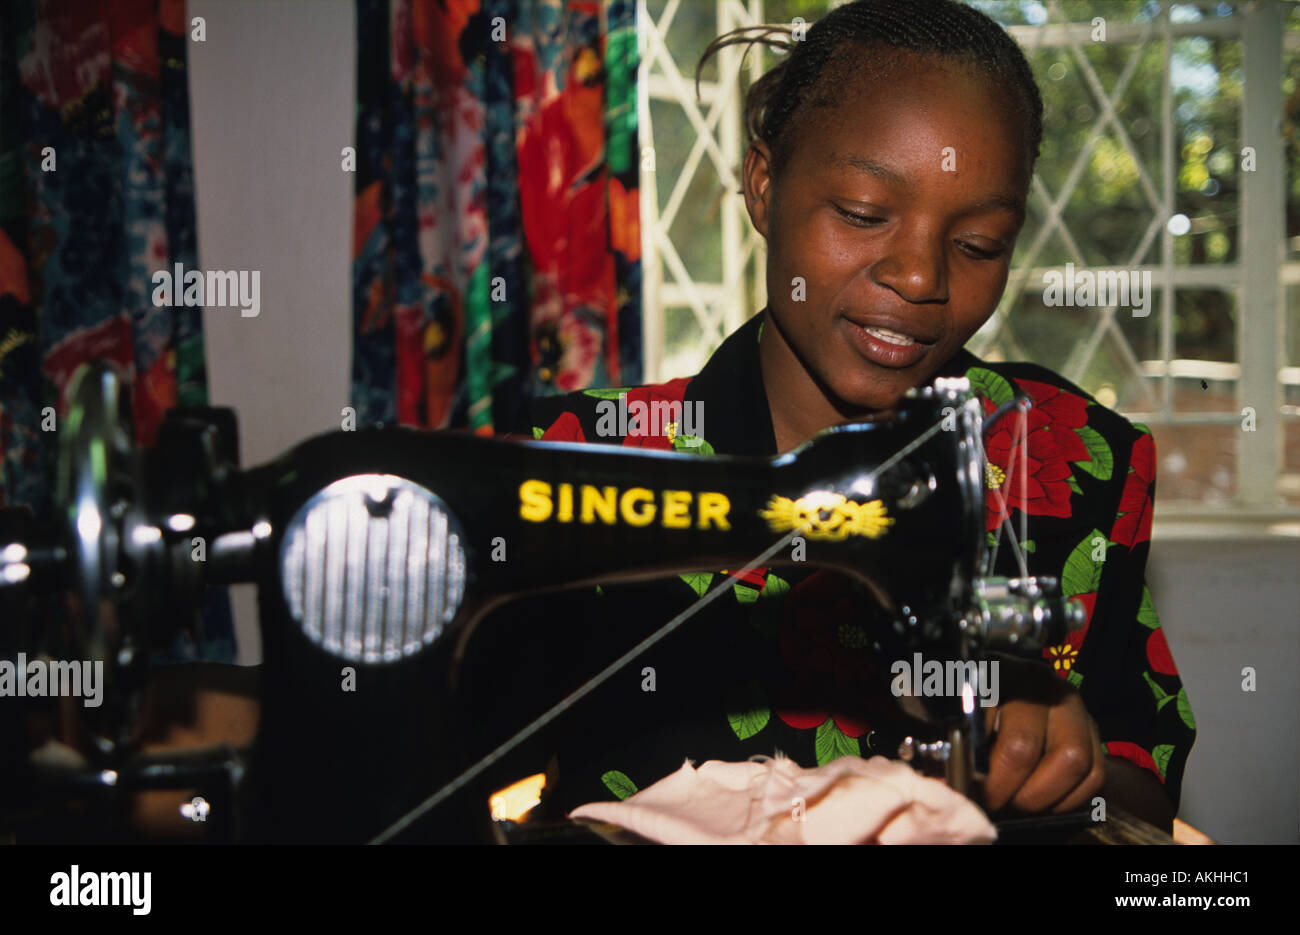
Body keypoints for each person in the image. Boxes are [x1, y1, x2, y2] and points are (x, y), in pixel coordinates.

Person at [461, 0, 1193, 835]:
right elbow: (460, 752)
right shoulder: (578, 462)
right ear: (764, 186)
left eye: (979, 243)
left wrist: (1068, 765)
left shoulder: (1076, 464)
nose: (920, 276)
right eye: (861, 213)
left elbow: (1145, 801)